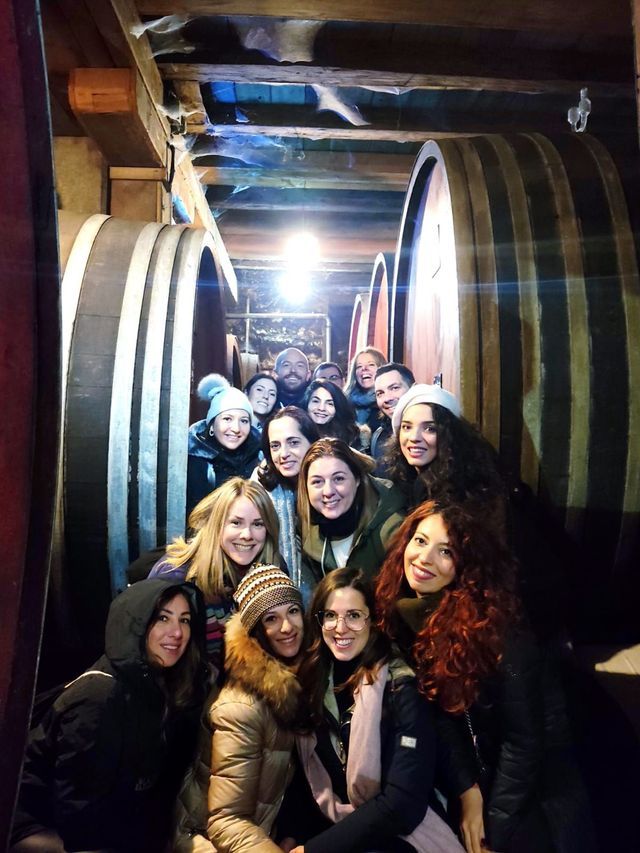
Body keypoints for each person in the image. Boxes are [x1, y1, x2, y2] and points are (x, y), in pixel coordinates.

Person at [375, 501, 595, 853]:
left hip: (539, 774)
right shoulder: (407, 614)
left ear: (467, 566)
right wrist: (468, 792)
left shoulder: (499, 629)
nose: (424, 558)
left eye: (445, 550)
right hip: (479, 766)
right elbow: (444, 717)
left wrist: (493, 825)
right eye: (419, 540)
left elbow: (524, 742)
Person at [11, 579, 208, 853]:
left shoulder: (156, 684)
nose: (177, 632)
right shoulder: (100, 696)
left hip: (97, 823)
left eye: (185, 620)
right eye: (162, 618)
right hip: (34, 826)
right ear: (135, 623)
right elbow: (78, 810)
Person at [282, 567, 463, 853]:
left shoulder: (401, 688)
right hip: (340, 831)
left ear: (373, 620)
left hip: (403, 839)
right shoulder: (313, 685)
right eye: (330, 616)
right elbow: (308, 788)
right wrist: (292, 837)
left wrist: (313, 850)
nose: (340, 628)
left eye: (353, 616)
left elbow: (402, 804)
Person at [175, 565, 305, 853]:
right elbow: (227, 822)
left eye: (293, 611)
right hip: (205, 843)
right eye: (271, 618)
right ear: (255, 632)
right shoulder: (241, 708)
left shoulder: (294, 683)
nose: (287, 627)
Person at [149, 477, 281, 676]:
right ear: (217, 525)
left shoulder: (269, 573)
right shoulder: (176, 576)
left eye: (258, 524)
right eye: (236, 523)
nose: (247, 534)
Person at [385, 384, 505, 518]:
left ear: (449, 434)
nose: (414, 437)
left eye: (430, 428)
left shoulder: (459, 490)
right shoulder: (407, 478)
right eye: (407, 427)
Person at [298, 438, 405, 584]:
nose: (328, 491)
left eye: (339, 479)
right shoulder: (306, 528)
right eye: (317, 482)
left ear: (357, 479)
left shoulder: (392, 530)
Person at [256, 407, 320, 604]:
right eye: (275, 446)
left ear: (312, 443)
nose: (283, 454)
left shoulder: (331, 485)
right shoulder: (261, 490)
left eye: (293, 442)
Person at [187, 374, 261, 516]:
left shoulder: (259, 457)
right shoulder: (195, 463)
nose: (236, 428)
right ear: (212, 425)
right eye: (227, 418)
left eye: (244, 421)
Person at [302, 378, 364, 449]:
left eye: (329, 403)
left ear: (337, 408)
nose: (321, 408)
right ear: (307, 403)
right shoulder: (297, 432)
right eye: (316, 401)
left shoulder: (350, 437)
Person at [371, 362, 415, 461]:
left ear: (413, 388)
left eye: (394, 388)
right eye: (380, 393)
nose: (387, 398)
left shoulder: (432, 432)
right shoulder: (378, 437)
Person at [344, 346, 386, 433]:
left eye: (371, 364)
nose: (364, 369)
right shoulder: (345, 403)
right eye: (359, 366)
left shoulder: (387, 403)